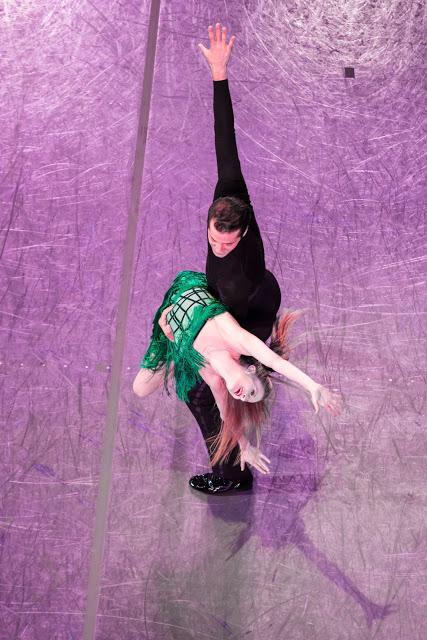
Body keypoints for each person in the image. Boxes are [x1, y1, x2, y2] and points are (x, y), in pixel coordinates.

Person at [185, 23, 283, 494]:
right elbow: (227, 141)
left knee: (204, 394)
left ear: (243, 233)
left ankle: (232, 473)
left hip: (249, 310)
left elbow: (232, 336)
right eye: (213, 239)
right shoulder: (229, 195)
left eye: (227, 243)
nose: (218, 247)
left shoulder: (240, 273)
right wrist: (219, 74)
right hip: (231, 300)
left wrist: (230, 362)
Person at [133, 270, 341, 478]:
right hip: (187, 289)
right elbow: (274, 361)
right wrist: (312, 386)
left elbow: (226, 416)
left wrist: (244, 446)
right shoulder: (236, 339)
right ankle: (179, 345)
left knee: (140, 388)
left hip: (173, 330)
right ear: (250, 369)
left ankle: (177, 349)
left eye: (245, 399)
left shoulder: (213, 378)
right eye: (252, 392)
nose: (242, 396)